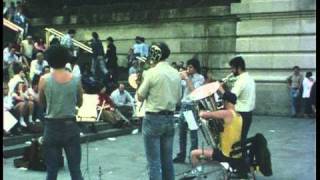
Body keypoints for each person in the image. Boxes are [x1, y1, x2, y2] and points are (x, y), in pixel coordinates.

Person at [137, 42, 182, 180]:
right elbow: (178, 98)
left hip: (153, 118)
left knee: (154, 162)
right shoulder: (176, 73)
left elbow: (140, 96)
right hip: (170, 117)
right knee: (167, 160)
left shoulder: (151, 73)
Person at [38, 45, 84, 180]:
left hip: (51, 127)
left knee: (51, 171)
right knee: (75, 170)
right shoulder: (75, 79)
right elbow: (80, 103)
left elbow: (41, 103)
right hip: (70, 126)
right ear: (66, 60)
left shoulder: (44, 79)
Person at [184, 89, 243, 178]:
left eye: (223, 101)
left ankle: (197, 173)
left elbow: (204, 115)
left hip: (226, 154)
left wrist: (200, 111)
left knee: (193, 153)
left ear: (226, 101)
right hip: (235, 152)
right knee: (209, 151)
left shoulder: (226, 113)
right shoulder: (239, 115)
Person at [173, 58, 205, 163]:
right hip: (184, 106)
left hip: (191, 106)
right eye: (188, 66)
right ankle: (181, 155)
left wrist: (186, 78)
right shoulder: (186, 76)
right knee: (181, 132)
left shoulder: (200, 78)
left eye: (190, 67)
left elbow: (194, 92)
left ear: (195, 68)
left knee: (192, 132)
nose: (188, 68)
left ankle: (193, 155)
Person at [228, 56, 255, 156]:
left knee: (238, 140)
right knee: (242, 138)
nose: (231, 71)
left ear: (238, 68)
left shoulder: (241, 81)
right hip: (248, 114)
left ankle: (242, 163)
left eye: (232, 68)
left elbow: (232, 97)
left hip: (240, 114)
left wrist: (220, 88)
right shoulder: (250, 78)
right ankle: (244, 162)